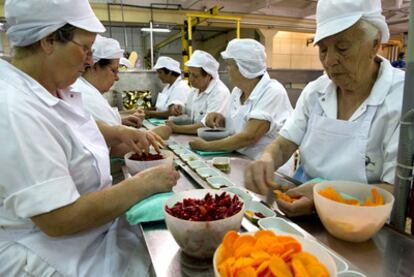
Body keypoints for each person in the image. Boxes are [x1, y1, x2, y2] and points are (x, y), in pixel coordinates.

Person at [0, 1, 180, 276]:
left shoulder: (49, 89)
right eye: (85, 48)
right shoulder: (13, 107)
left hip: (90, 234)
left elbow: (65, 124)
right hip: (52, 253)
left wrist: (117, 131)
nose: (88, 61)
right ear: (49, 40)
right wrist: (143, 184)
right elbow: (57, 218)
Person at [244, 0, 405, 217]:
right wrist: (266, 159)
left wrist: (325, 196)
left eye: (342, 48)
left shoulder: (402, 97)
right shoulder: (315, 91)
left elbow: (394, 192)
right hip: (301, 212)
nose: (329, 61)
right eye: (323, 49)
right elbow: (285, 143)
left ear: (374, 44)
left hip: (363, 223)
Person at [189, 39, 294, 175]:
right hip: (240, 162)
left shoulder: (272, 91)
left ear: (242, 68)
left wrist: (207, 146)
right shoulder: (237, 91)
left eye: (229, 65)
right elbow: (231, 125)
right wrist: (218, 118)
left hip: (267, 171)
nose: (227, 70)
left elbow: (249, 136)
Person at [71, 35, 144, 128]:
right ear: (94, 66)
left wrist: (120, 120)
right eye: (113, 70)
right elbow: (120, 141)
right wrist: (165, 130)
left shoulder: (83, 88)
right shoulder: (88, 97)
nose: (117, 78)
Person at [166, 50, 230, 134]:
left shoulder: (219, 93)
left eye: (195, 76)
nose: (191, 79)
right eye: (190, 74)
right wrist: (180, 108)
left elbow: (206, 126)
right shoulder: (196, 89)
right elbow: (189, 109)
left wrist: (176, 128)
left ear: (208, 75)